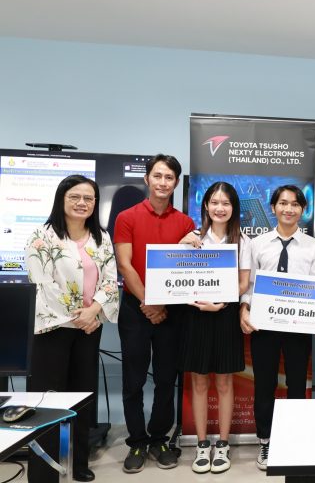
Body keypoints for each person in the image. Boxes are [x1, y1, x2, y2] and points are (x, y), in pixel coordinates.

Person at [24, 175, 119, 483]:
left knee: (81, 397)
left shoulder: (101, 237)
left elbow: (110, 280)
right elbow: (42, 284)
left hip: (89, 328)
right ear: (61, 200)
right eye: (75, 197)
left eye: (88, 198)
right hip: (52, 328)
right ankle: (44, 472)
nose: (82, 203)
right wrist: (79, 315)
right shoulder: (41, 237)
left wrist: (93, 311)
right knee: (49, 401)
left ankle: (77, 462)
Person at [114, 154, 195, 473]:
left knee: (165, 378)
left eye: (169, 177)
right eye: (158, 176)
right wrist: (148, 302)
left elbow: (185, 268)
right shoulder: (127, 217)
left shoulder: (185, 223)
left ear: (175, 182)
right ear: (147, 179)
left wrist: (160, 305)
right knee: (133, 380)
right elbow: (124, 265)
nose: (163, 182)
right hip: (136, 308)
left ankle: (160, 439)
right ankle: (136, 441)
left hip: (171, 311)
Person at [239, 184, 315, 471]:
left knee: (297, 384)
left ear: (303, 209)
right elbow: (249, 286)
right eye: (283, 203)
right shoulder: (258, 244)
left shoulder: (313, 246)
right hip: (264, 325)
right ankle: (265, 441)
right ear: (273, 208)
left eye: (295, 204)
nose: (289, 209)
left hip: (298, 327)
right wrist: (244, 308)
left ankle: (295, 439)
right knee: (264, 384)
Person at [177, 182, 252, 474]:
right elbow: (177, 276)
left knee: (224, 382)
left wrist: (221, 302)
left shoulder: (242, 241)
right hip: (195, 317)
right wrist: (182, 245)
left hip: (225, 316)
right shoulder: (193, 238)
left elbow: (243, 283)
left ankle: (222, 443)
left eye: (226, 203)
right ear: (206, 205)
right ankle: (201, 444)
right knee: (198, 382)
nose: (220, 208)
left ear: (234, 208)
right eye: (215, 202)